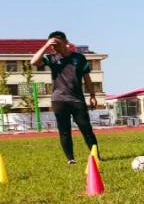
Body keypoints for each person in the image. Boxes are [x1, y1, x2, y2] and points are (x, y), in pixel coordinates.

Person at [29, 32, 99, 164]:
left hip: (77, 100)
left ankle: (96, 157)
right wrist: (46, 45)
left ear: (65, 41)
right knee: (64, 131)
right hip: (59, 101)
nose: (54, 47)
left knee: (86, 129)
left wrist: (92, 96)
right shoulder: (51, 58)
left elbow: (87, 78)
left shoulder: (79, 58)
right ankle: (70, 159)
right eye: (52, 45)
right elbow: (34, 62)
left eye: (56, 43)